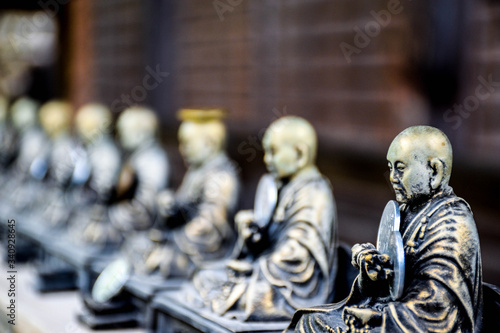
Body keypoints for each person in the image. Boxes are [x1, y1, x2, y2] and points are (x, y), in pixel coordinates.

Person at [288, 126, 483, 333]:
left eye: (400, 168)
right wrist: (372, 272)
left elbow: (438, 308)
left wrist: (381, 317)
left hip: (413, 321)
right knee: (310, 321)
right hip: (393, 312)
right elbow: (392, 283)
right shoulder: (407, 210)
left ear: (434, 172)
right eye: (390, 168)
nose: (392, 177)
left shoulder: (452, 220)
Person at [188, 116, 338, 321]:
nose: (266, 160)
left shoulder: (314, 192)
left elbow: (298, 256)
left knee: (245, 295)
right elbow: (269, 239)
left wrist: (256, 267)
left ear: (300, 154)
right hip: (268, 272)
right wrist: (254, 237)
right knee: (205, 276)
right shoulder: (284, 187)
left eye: (273, 152)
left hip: (292, 289)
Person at [140, 108, 240, 278]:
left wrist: (174, 239)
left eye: (187, 143)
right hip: (183, 241)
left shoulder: (221, 177)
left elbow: (211, 228)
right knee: (141, 247)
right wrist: (170, 205)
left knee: (158, 261)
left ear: (209, 144)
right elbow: (185, 206)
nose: (182, 149)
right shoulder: (196, 172)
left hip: (204, 252)